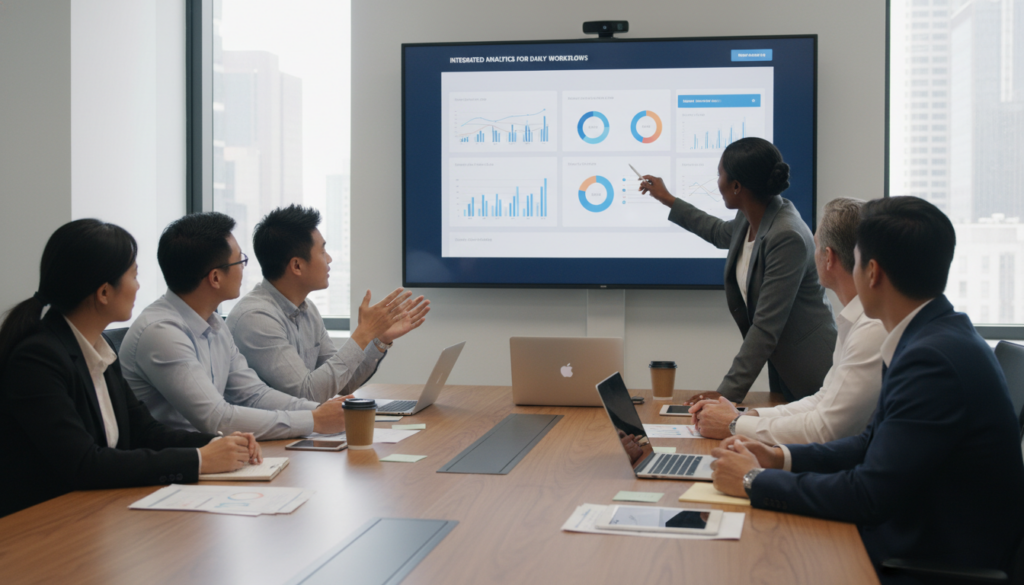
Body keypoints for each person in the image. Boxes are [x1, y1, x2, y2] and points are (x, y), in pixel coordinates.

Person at [709, 197, 1024, 581]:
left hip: (925, 560)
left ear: (871, 272)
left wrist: (753, 480)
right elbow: (868, 444)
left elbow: (868, 494)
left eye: (854, 260)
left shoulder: (932, 360)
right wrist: (779, 458)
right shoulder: (930, 336)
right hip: (913, 533)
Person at [0, 219, 261, 518]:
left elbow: (144, 431)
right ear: (104, 293)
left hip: (98, 511)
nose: (138, 287)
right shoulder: (37, 360)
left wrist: (219, 443)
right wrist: (199, 460)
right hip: (42, 523)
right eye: (133, 276)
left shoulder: (98, 348)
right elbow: (85, 464)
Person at [120, 212, 407, 440]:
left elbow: (253, 394)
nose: (245, 268)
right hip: (175, 463)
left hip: (216, 452)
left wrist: (320, 413)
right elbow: (216, 417)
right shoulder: (162, 333)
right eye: (239, 262)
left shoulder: (213, 324)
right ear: (215, 278)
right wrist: (313, 418)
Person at [641, 138, 836, 403]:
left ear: (736, 186)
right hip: (783, 364)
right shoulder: (751, 216)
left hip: (810, 370)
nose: (717, 182)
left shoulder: (786, 236)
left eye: (719, 174)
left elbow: (765, 327)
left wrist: (724, 396)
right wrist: (667, 199)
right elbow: (718, 232)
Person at [690, 198, 887, 443]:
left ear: (828, 257)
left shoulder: (871, 329)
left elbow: (825, 430)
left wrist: (735, 425)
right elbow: (820, 401)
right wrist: (747, 416)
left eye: (814, 246)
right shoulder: (856, 320)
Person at [226, 205, 429, 402]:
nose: (330, 259)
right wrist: (364, 333)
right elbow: (307, 393)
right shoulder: (256, 318)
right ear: (297, 265)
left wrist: (379, 339)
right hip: (261, 435)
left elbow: (343, 384)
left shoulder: (307, 309)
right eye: (323, 252)